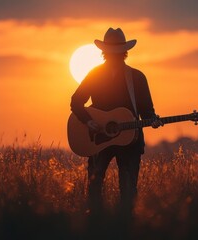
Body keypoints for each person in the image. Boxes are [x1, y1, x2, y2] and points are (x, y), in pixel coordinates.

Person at [70, 28, 162, 219]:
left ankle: (125, 225)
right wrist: (89, 122)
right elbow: (76, 102)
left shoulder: (136, 77)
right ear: (105, 53)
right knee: (94, 186)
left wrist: (153, 119)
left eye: (117, 52)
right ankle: (95, 224)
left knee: (128, 190)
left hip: (130, 140)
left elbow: (146, 110)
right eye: (111, 52)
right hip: (98, 139)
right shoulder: (94, 74)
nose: (113, 56)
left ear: (123, 52)